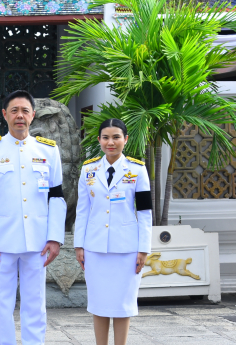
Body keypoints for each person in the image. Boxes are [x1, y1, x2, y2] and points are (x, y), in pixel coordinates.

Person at [0, 90, 66, 345]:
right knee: (2, 302)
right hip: (1, 241)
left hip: (37, 240)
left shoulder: (48, 150)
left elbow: (56, 197)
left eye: (25, 111)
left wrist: (55, 237)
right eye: (14, 111)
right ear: (5, 115)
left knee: (35, 300)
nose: (20, 116)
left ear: (33, 115)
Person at [74, 118, 151, 345]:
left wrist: (144, 249)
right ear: (99, 140)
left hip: (126, 249)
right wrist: (79, 245)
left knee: (122, 304)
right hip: (95, 248)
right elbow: (82, 211)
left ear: (125, 140)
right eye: (106, 137)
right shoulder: (88, 170)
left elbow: (145, 212)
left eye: (116, 137)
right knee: (98, 303)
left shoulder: (137, 170)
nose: (111, 142)